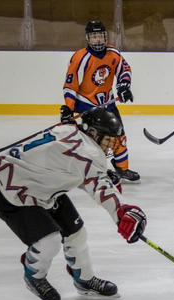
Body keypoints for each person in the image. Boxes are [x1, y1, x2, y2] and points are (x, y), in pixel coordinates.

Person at [0, 107, 147, 300]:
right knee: (49, 241)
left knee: (77, 234)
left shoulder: (69, 131)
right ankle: (34, 275)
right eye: (107, 140)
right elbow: (100, 187)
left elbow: (72, 167)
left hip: (40, 185)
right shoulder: (88, 153)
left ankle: (84, 279)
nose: (109, 147)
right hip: (11, 191)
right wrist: (122, 211)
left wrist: (100, 173)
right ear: (92, 133)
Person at [61, 20, 141, 183]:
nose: (98, 40)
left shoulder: (113, 53)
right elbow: (70, 86)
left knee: (119, 135)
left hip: (108, 102)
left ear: (105, 37)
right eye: (94, 36)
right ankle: (92, 170)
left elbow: (124, 69)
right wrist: (69, 109)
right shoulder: (80, 58)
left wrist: (124, 86)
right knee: (95, 143)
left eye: (100, 36)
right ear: (88, 38)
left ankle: (122, 168)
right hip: (87, 105)